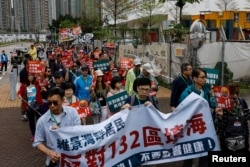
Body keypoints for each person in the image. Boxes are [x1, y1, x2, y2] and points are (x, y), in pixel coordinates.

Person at [179, 68, 219, 167]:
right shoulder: (187, 93)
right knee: (190, 153)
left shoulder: (207, 91)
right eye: (202, 77)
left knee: (205, 154)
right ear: (195, 78)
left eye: (205, 77)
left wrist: (212, 96)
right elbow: (182, 110)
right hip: (192, 129)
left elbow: (213, 105)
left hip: (206, 128)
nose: (205, 79)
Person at [33, 87, 81, 167]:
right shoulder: (42, 120)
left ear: (62, 100)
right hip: (55, 162)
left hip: (73, 160)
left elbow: (78, 132)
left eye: (55, 102)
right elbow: (37, 143)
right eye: (49, 103)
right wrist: (49, 153)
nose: (52, 105)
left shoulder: (72, 112)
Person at [216, 82, 249, 151]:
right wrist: (220, 118)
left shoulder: (242, 102)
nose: (232, 100)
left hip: (242, 139)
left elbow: (247, 117)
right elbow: (218, 127)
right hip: (227, 140)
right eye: (230, 96)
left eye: (235, 96)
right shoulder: (222, 105)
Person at [17, 73, 43, 141]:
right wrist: (19, 95)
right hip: (29, 106)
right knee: (31, 122)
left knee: (39, 121)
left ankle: (39, 134)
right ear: (27, 77)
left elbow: (42, 87)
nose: (30, 77)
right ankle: (33, 135)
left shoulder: (37, 84)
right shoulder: (24, 85)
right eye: (29, 76)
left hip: (37, 105)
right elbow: (19, 92)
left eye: (32, 76)